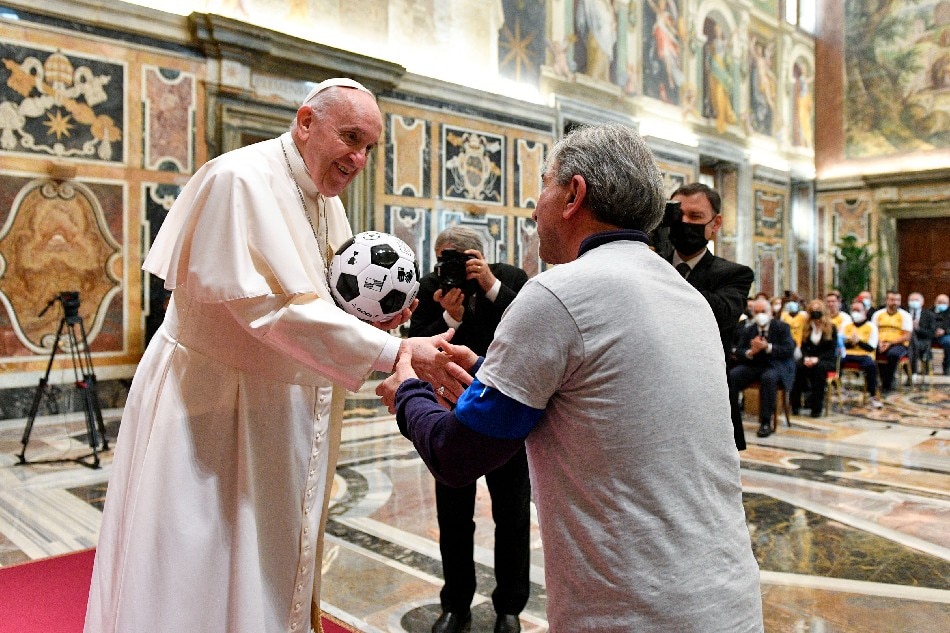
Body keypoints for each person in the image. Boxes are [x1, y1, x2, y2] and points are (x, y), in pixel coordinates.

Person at [84, 78, 457, 633]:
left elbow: (323, 300)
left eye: (369, 147)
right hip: (210, 412)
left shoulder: (327, 204)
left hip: (278, 412)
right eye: (349, 138)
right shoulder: (238, 180)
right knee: (204, 559)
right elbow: (268, 311)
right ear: (306, 122)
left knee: (266, 559)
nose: (358, 159)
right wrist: (393, 349)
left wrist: (374, 318)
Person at [378, 123, 764, 632]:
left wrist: (408, 389)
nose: (534, 209)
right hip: (728, 600)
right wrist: (491, 380)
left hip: (633, 612)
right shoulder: (684, 293)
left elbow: (457, 454)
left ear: (573, 194)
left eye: (543, 185)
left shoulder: (559, 292)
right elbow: (598, 402)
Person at [409, 226, 530, 633]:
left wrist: (492, 287)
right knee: (454, 515)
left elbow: (525, 330)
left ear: (481, 256)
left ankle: (509, 608)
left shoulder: (509, 278)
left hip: (504, 412)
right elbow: (416, 342)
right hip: (451, 412)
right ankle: (455, 603)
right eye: (446, 257)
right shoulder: (430, 287)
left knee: (512, 513)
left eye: (462, 258)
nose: (453, 266)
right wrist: (449, 318)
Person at [664, 182, 754, 360]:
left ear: (715, 223)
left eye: (695, 216)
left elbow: (721, 316)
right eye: (678, 215)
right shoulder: (653, 263)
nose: (684, 222)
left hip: (703, 375)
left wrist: (662, 281)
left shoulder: (735, 274)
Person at [729, 298, 796, 440]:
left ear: (770, 312)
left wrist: (768, 347)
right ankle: (731, 418)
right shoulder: (749, 330)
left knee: (769, 378)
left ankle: (765, 422)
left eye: (763, 312)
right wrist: (751, 352)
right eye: (757, 312)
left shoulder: (782, 327)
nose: (760, 315)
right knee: (733, 375)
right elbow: (739, 351)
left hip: (775, 365)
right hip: (754, 365)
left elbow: (788, 349)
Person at [790, 300, 838, 417]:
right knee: (797, 367)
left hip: (825, 360)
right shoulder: (807, 327)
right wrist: (806, 358)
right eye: (812, 311)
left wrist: (817, 359)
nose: (815, 313)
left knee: (819, 370)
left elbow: (831, 350)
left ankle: (816, 407)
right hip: (809, 358)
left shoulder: (831, 328)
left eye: (818, 310)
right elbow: (804, 347)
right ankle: (795, 405)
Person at [842, 300, 884, 408]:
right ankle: (837, 389)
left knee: (870, 367)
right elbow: (841, 344)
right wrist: (852, 342)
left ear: (865, 311)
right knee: (834, 362)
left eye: (858, 310)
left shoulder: (871, 326)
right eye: (853, 310)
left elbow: (871, 347)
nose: (855, 312)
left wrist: (858, 341)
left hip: (865, 355)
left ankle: (872, 395)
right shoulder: (846, 326)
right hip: (847, 353)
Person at [872, 290, 912, 393]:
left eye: (897, 300)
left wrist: (890, 343)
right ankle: (874, 382)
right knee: (870, 353)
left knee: (892, 354)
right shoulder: (877, 314)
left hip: (898, 344)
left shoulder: (905, 316)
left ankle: (887, 384)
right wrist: (879, 342)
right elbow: (873, 331)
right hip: (880, 342)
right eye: (892, 299)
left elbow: (906, 336)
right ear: (886, 300)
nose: (895, 302)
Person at [906, 291, 936, 378]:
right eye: (912, 300)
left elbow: (931, 333)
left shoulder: (929, 315)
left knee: (913, 346)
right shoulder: (904, 313)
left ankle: (912, 372)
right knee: (909, 346)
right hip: (906, 340)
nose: (914, 302)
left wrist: (918, 329)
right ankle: (910, 372)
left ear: (922, 302)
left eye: (916, 300)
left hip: (923, 341)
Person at [933, 294, 950, 375]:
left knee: (948, 342)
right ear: (935, 302)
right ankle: (926, 366)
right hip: (930, 335)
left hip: (945, 335)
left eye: (944, 303)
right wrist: (933, 331)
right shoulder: (929, 311)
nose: (941, 304)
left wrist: (944, 331)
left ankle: (947, 366)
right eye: (939, 302)